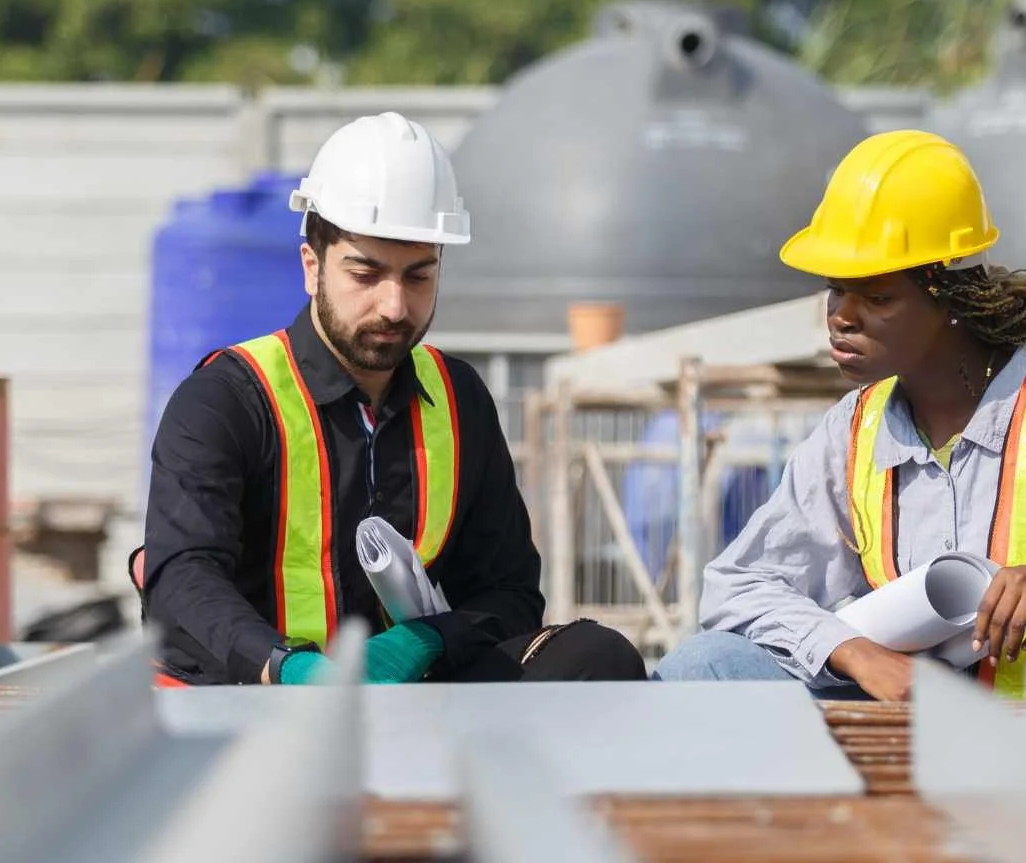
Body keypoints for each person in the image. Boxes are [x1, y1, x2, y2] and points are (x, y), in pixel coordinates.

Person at [652, 129, 1026, 700]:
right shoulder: (853, 429)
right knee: (701, 667)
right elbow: (737, 584)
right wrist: (857, 654)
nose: (842, 316)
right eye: (837, 290)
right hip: (916, 720)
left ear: (952, 302)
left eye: (878, 297)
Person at [131, 110, 646, 687]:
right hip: (254, 700)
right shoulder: (225, 400)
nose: (395, 307)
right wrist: (288, 667)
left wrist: (428, 639)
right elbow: (182, 579)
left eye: (418, 276)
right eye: (366, 274)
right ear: (312, 267)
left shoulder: (459, 399)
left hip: (414, 696)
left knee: (599, 657)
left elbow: (511, 593)